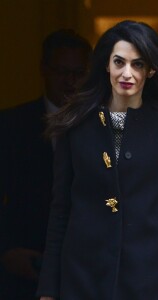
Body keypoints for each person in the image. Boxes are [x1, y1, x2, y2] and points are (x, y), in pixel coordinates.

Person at [36, 20, 158, 300]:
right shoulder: (74, 122)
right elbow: (60, 208)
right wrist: (49, 288)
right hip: (83, 275)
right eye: (119, 62)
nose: (127, 73)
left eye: (137, 64)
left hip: (147, 276)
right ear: (105, 65)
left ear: (151, 70)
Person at [0, 29, 92, 300]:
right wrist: (5, 250)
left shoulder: (107, 128)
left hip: (89, 272)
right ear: (44, 70)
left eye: (79, 73)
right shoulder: (10, 127)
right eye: (62, 72)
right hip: (25, 268)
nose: (70, 82)